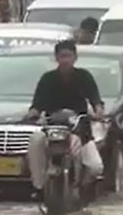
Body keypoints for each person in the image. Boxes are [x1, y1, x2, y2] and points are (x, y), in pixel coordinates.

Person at [25, 39, 105, 198]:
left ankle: (83, 188)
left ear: (75, 57)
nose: (65, 60)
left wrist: (98, 113)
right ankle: (39, 186)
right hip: (52, 129)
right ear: (56, 58)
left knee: (96, 167)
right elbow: (37, 105)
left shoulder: (84, 76)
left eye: (68, 56)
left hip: (79, 129)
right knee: (35, 142)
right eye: (62, 56)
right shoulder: (47, 79)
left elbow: (96, 100)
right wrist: (32, 114)